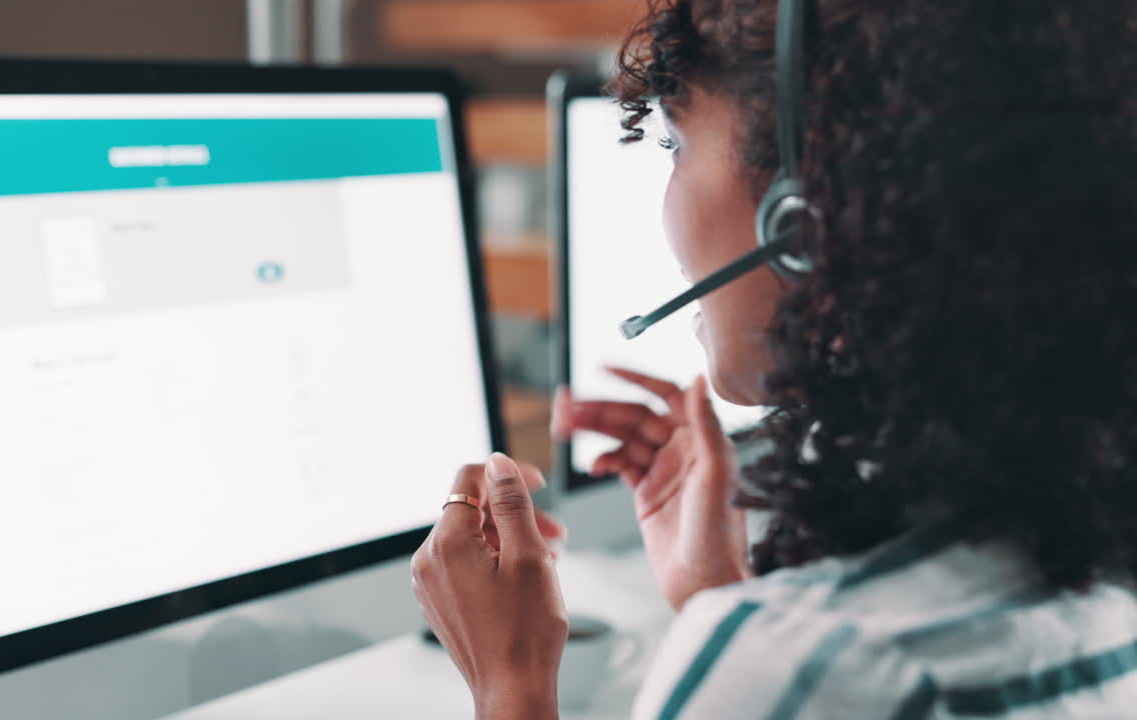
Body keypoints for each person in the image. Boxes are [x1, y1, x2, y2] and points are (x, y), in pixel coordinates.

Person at [411, 0, 1137, 717]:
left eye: (675, 146)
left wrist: (510, 679)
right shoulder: (1085, 565)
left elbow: (823, 680)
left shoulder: (833, 663)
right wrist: (719, 605)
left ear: (803, 223)